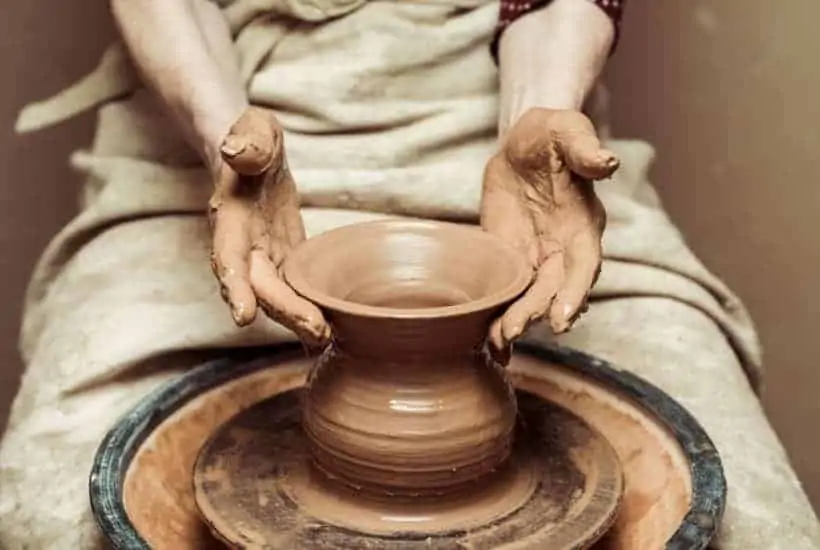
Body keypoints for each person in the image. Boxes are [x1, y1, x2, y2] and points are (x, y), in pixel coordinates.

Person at [0, 0, 818, 548]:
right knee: (48, 505)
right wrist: (224, 135)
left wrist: (539, 113)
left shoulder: (529, 146)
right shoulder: (222, 142)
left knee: (759, 520)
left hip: (515, 152)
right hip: (219, 148)